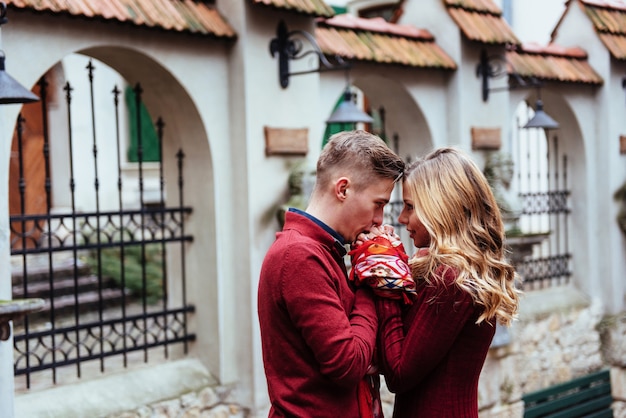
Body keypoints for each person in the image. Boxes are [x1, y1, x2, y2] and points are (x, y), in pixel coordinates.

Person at [355, 147, 520, 417]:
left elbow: (398, 373)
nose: (401, 219)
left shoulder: (452, 278)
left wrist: (385, 278)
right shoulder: (451, 270)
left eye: (410, 207)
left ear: (441, 208)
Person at [258, 130, 405, 417]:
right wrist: (368, 281)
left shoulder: (324, 249)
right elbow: (348, 364)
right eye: (378, 204)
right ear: (343, 189)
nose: (380, 219)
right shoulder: (299, 256)